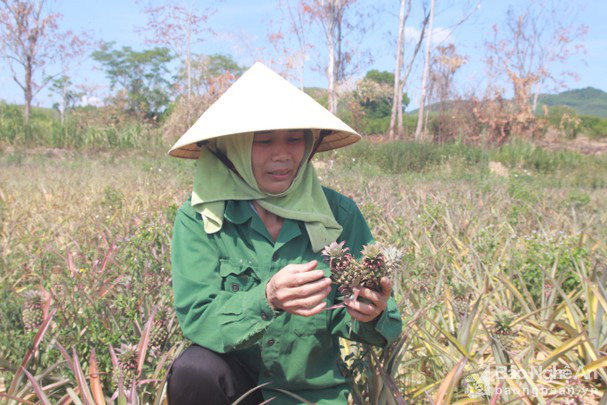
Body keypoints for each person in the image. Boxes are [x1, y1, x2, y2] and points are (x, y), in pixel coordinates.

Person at [167, 62, 403, 404]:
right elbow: (198, 316)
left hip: (312, 394)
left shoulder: (338, 215)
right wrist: (265, 300)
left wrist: (372, 313)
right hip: (236, 386)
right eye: (263, 141)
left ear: (310, 145)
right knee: (194, 370)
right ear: (232, 147)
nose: (282, 155)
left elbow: (381, 323)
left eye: (295, 139)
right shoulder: (201, 217)